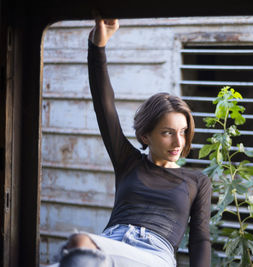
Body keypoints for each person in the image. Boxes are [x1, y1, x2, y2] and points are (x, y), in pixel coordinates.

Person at [51, 18, 211, 267]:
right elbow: (104, 107)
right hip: (110, 243)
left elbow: (200, 240)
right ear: (146, 136)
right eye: (168, 132)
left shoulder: (196, 181)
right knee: (77, 248)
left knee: (80, 244)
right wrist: (98, 46)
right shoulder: (128, 161)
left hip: (154, 254)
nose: (178, 141)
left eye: (183, 131)